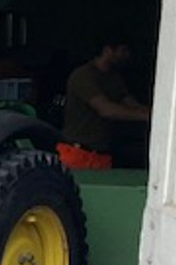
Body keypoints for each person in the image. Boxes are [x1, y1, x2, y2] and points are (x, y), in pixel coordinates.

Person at [58, 37, 150, 169]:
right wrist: (146, 116)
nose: (127, 56)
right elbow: (105, 110)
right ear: (107, 50)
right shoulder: (83, 75)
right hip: (78, 153)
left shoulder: (114, 77)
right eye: (123, 51)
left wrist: (152, 112)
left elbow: (131, 103)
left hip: (102, 154)